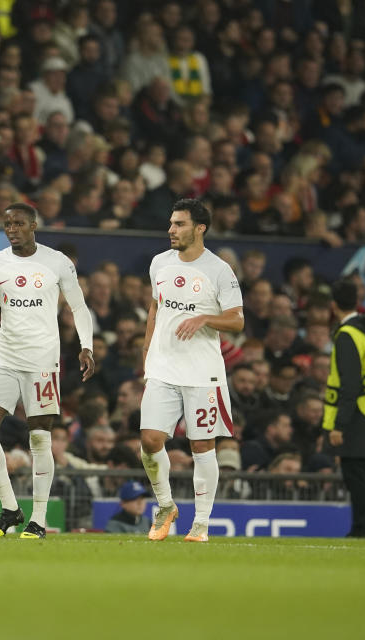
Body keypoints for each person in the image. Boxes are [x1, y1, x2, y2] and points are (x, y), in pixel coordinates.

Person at [0, 202, 96, 539]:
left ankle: (38, 520)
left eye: (19, 223)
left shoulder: (57, 262)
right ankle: (11, 509)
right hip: (5, 355)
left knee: (39, 437)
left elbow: (79, 306)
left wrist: (87, 345)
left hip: (42, 361)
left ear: (34, 225)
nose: (12, 229)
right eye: (7, 224)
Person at [139, 198, 244, 543]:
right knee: (149, 440)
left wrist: (204, 318)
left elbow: (237, 320)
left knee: (202, 446)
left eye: (179, 224)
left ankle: (200, 523)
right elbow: (156, 307)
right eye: (171, 223)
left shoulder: (219, 270)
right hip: (162, 367)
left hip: (202, 373)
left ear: (200, 228)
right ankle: (166, 506)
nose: (171, 230)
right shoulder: (159, 263)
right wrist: (146, 349)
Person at [323, 279, 365, 537]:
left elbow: (350, 383)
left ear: (333, 305)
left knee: (355, 474)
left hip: (354, 413)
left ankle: (360, 529)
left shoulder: (348, 335)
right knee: (358, 472)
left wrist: (339, 424)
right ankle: (361, 527)